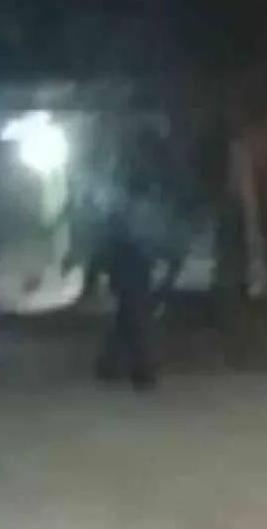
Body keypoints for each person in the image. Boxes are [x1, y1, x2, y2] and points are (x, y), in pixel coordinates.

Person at [94, 165, 160, 392]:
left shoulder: (120, 210)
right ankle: (139, 371)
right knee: (135, 320)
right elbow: (145, 241)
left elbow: (110, 241)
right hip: (136, 269)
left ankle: (113, 365)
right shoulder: (142, 210)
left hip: (125, 269)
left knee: (127, 318)